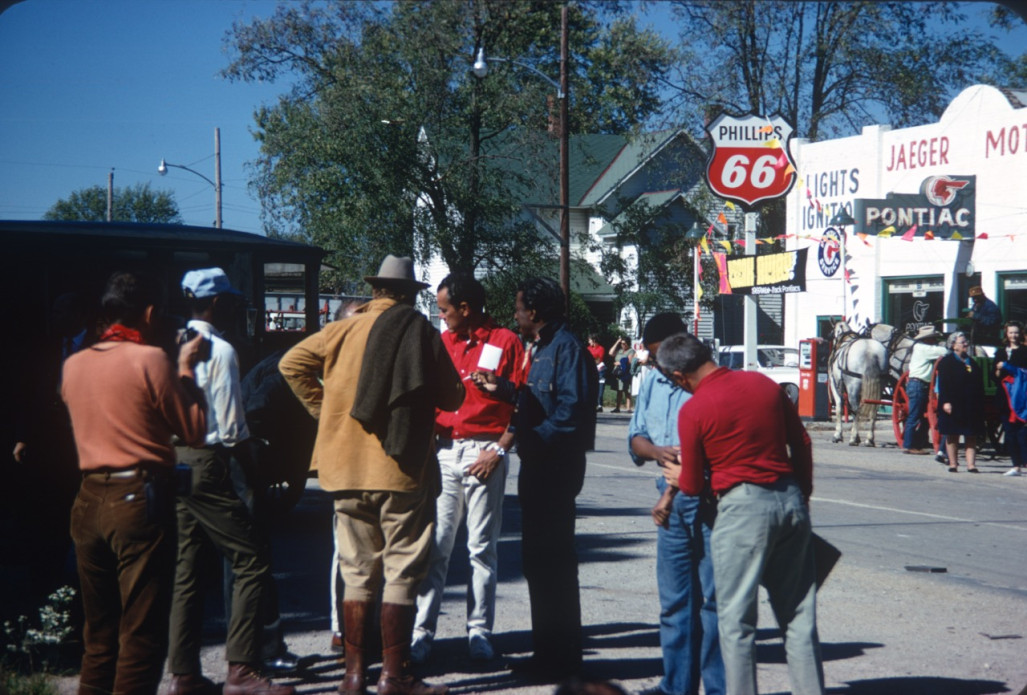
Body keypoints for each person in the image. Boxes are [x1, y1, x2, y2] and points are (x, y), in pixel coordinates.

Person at [280, 254, 464, 695]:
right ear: (407, 294)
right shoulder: (419, 330)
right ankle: (394, 676)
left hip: (343, 467)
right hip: (400, 468)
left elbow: (290, 364)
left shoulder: (340, 329)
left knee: (357, 571)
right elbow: (453, 397)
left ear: (376, 290)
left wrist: (330, 414)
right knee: (401, 571)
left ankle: (353, 676)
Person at [61, 271, 208, 695]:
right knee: (141, 633)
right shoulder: (150, 361)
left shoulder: (73, 365)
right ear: (148, 312)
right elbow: (194, 429)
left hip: (87, 500)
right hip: (138, 500)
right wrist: (184, 368)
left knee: (99, 632)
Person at [657, 333, 824, 695]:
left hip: (741, 508)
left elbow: (691, 486)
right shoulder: (763, 384)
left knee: (737, 623)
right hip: (790, 498)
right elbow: (802, 443)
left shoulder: (695, 409)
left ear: (678, 376)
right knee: (798, 617)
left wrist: (675, 476)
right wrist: (802, 494)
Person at [168, 268, 294, 695]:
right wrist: (252, 471)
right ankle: (242, 668)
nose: (236, 308)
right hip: (211, 459)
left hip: (177, 459)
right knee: (252, 558)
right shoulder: (220, 350)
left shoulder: (172, 345)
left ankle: (183, 671)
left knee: (188, 568)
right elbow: (231, 426)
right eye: (232, 301)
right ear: (218, 303)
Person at [410, 272, 525, 664]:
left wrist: (499, 450)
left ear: (466, 308)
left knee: (481, 549)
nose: (441, 317)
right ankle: (422, 632)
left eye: (445, 310)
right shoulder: (442, 343)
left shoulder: (506, 342)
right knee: (437, 547)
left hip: (484, 454)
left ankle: (479, 632)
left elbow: (522, 403)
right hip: (444, 452)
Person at [628, 314, 724, 695]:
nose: (656, 365)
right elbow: (635, 438)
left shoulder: (710, 384)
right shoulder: (652, 383)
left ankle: (719, 688)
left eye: (658, 357)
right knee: (674, 605)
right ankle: (677, 687)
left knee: (715, 605)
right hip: (669, 507)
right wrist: (656, 451)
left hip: (711, 505)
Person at [507, 276, 597, 682]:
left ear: (535, 312)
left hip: (555, 469)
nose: (515, 314)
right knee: (537, 564)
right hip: (537, 466)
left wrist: (531, 438)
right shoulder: (539, 348)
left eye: (519, 307)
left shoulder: (567, 349)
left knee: (554, 564)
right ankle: (547, 653)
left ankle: (562, 658)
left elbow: (571, 413)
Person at [936, 331, 986, 473]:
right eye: (962, 342)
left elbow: (979, 384)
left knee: (971, 434)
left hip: (970, 404)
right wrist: (945, 402)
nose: (966, 344)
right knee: (953, 434)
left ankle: (971, 465)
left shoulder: (972, 363)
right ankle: (953, 463)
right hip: (953, 403)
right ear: (953, 346)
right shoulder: (946, 362)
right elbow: (943, 384)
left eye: (966, 342)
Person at [902, 326, 948, 456]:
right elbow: (944, 351)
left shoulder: (923, 348)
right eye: (933, 338)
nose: (935, 341)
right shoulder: (924, 348)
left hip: (920, 384)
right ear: (928, 339)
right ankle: (909, 445)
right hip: (918, 384)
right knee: (914, 416)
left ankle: (917, 442)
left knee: (921, 417)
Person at [995, 320, 1027, 476]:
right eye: (1010, 332)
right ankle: (1016, 465)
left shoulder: (1024, 351)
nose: (1013, 335)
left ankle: (1024, 462)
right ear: (1006, 334)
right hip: (1004, 396)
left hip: (1020, 396)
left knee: (1022, 432)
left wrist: (1007, 367)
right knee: (1009, 431)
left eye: (1016, 332)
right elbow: (995, 375)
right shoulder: (1000, 352)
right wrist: (999, 370)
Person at [609, 337, 634, 412]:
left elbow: (629, 361)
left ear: (627, 343)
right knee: (619, 390)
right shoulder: (619, 351)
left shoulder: (631, 351)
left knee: (627, 390)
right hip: (618, 372)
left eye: (624, 343)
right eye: (621, 343)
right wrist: (617, 342)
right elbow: (610, 353)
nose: (622, 345)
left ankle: (628, 408)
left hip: (625, 372)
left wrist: (619, 363)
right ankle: (617, 407)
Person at [586, 336, 606, 412]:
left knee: (600, 386)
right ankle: (592, 404)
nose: (589, 342)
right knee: (591, 386)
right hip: (591, 369)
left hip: (600, 369)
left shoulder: (601, 348)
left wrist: (591, 360)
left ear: (594, 340)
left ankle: (600, 405)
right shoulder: (588, 348)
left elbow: (599, 360)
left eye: (590, 340)